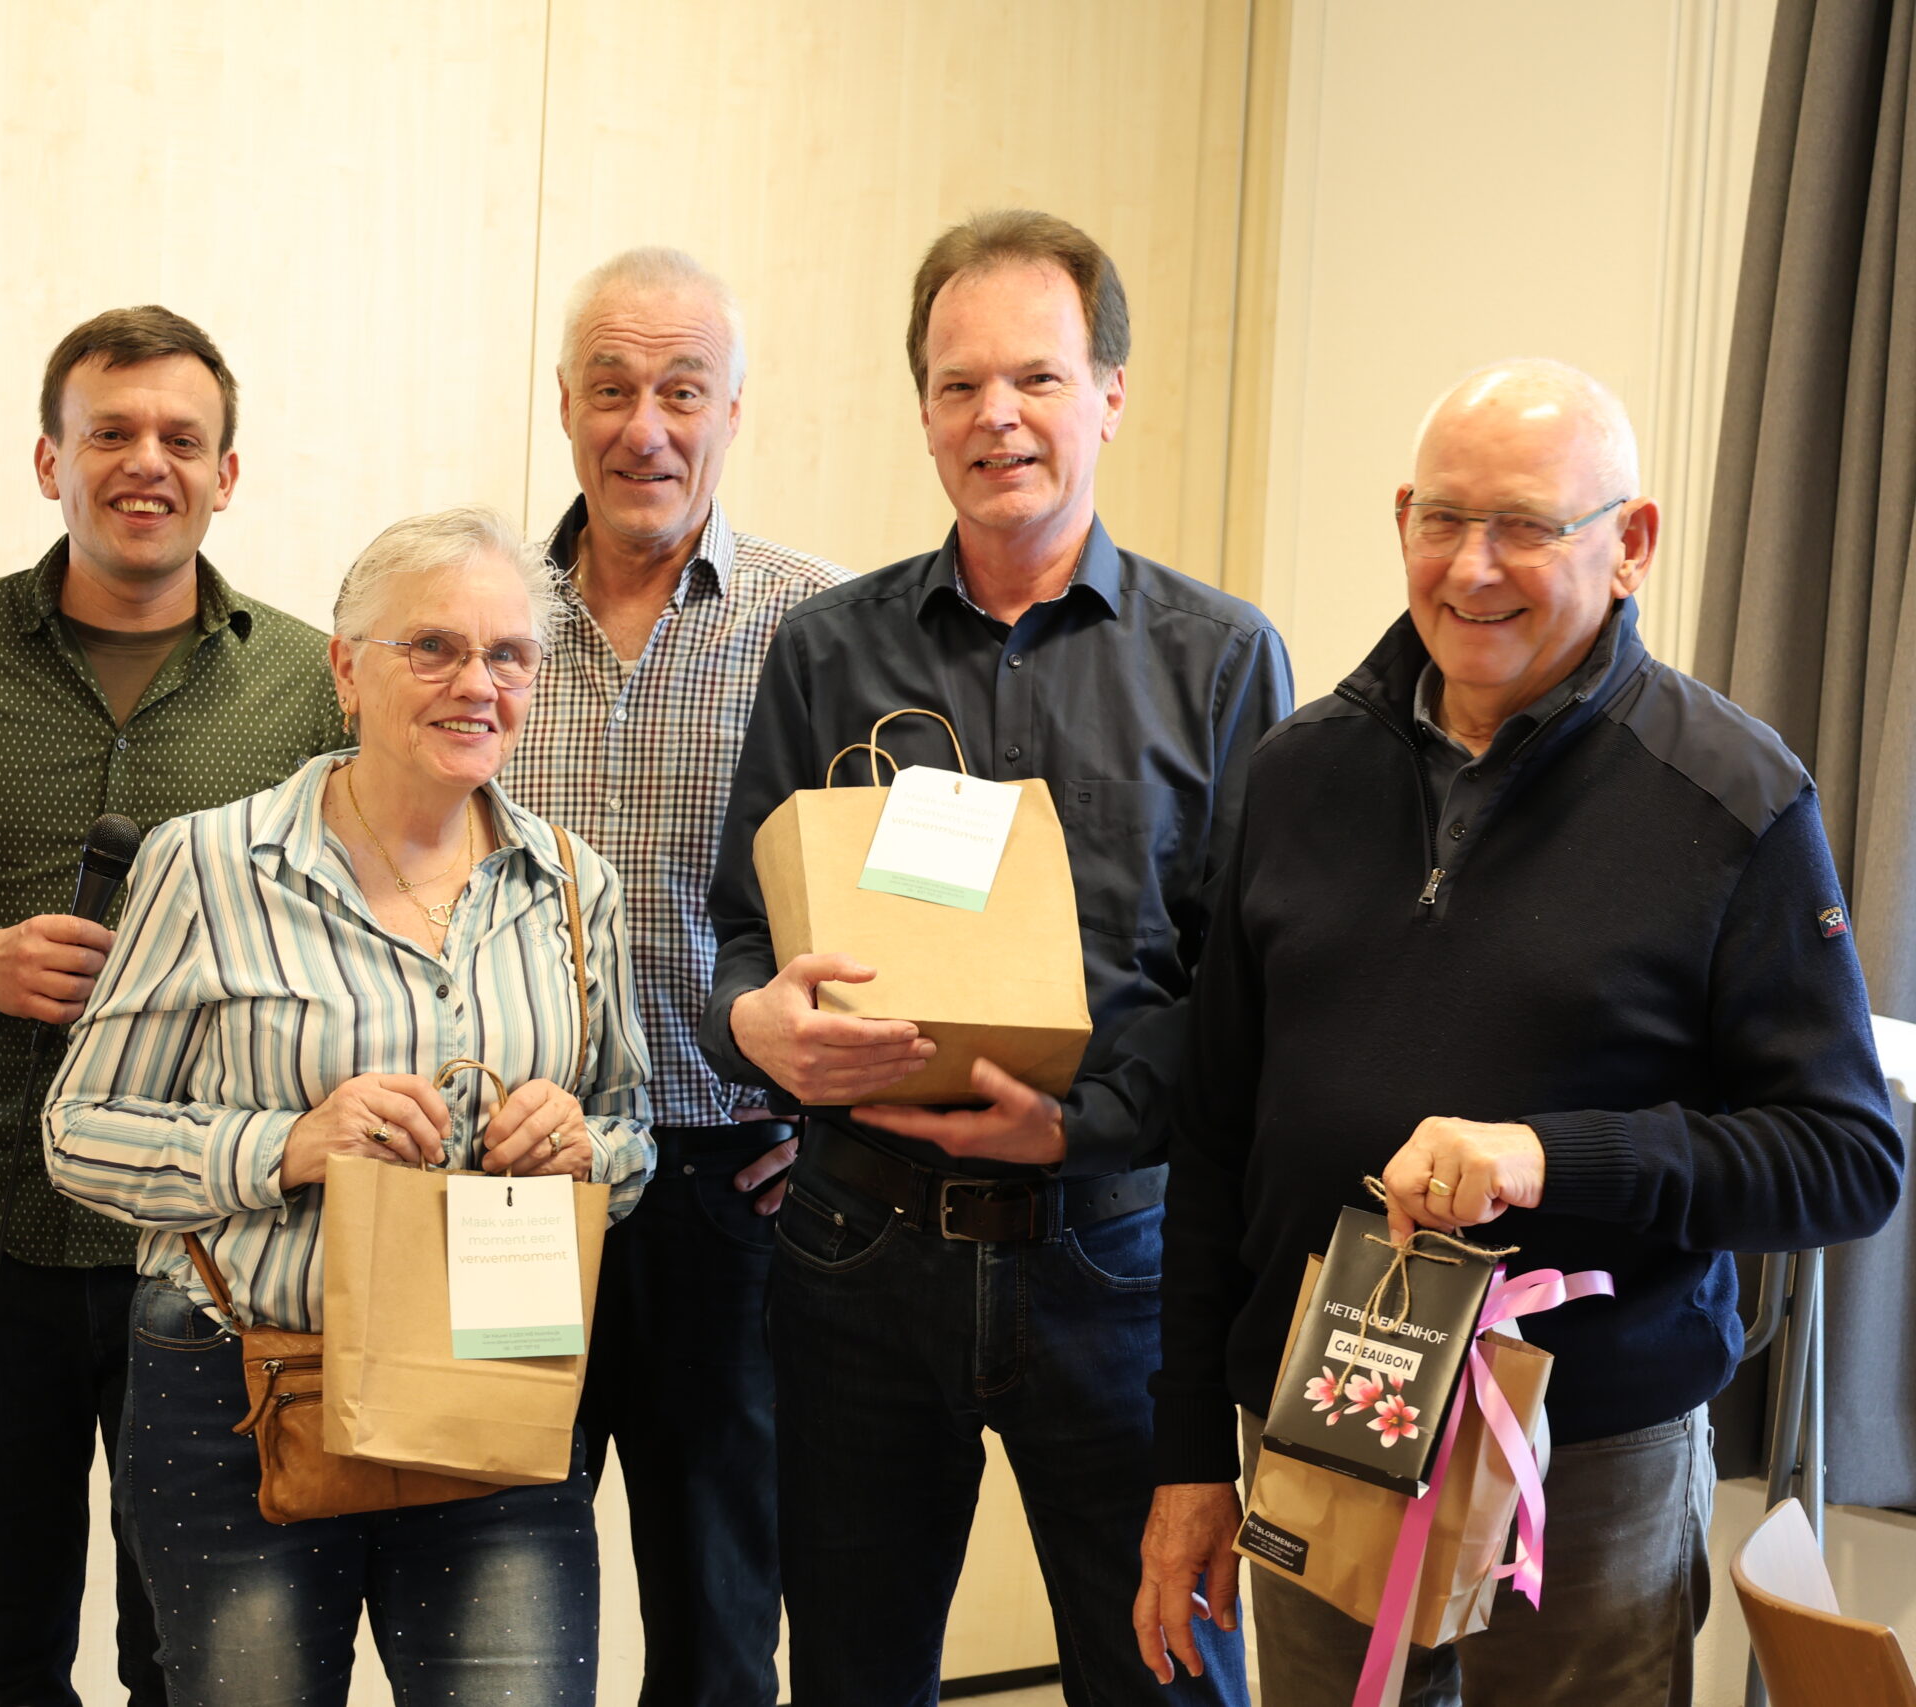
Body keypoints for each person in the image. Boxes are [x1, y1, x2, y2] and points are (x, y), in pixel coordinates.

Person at [1134, 359, 1904, 1705]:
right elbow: (1211, 1144)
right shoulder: (1296, 772)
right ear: (1401, 520)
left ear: (1631, 543)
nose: (1472, 565)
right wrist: (1190, 1454)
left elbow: (1843, 1157)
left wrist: (1553, 1157)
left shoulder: (1736, 798)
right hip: (1323, 1421)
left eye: (1526, 526)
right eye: (1442, 518)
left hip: (1589, 1462)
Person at [703, 209, 1288, 1704]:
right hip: (858, 1246)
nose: (996, 416)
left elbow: (1245, 991)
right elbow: (741, 932)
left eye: (1036, 377)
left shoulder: (1222, 660)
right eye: (958, 384)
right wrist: (755, 1025)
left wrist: (1077, 1123)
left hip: (1117, 1257)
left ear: (1110, 393)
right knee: (853, 1676)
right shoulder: (827, 650)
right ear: (923, 411)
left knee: (1165, 1676)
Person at [45, 504, 655, 1707]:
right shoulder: (208, 865)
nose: (475, 685)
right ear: (345, 669)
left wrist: (586, 1151)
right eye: (432, 647)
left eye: (508, 655)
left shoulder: (575, 885)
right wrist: (287, 1145)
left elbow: (630, 1134)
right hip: (246, 1391)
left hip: (497, 1386)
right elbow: (78, 1132)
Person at [0, 306, 337, 1706]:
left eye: (181, 437)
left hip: (215, 1245)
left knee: (191, 1654)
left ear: (226, 473)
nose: (145, 462)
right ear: (48, 461)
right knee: (1, 1652)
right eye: (109, 431)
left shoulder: (309, 680)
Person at [501, 246, 844, 1707]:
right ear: (564, 405)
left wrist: (832, 1127)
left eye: (683, 391)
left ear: (734, 412)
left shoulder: (819, 626)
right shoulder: (486, 618)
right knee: (501, 1603)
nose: (645, 427)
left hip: (731, 1185)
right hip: (515, 1178)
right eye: (613, 389)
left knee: (717, 1614)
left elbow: (884, 909)